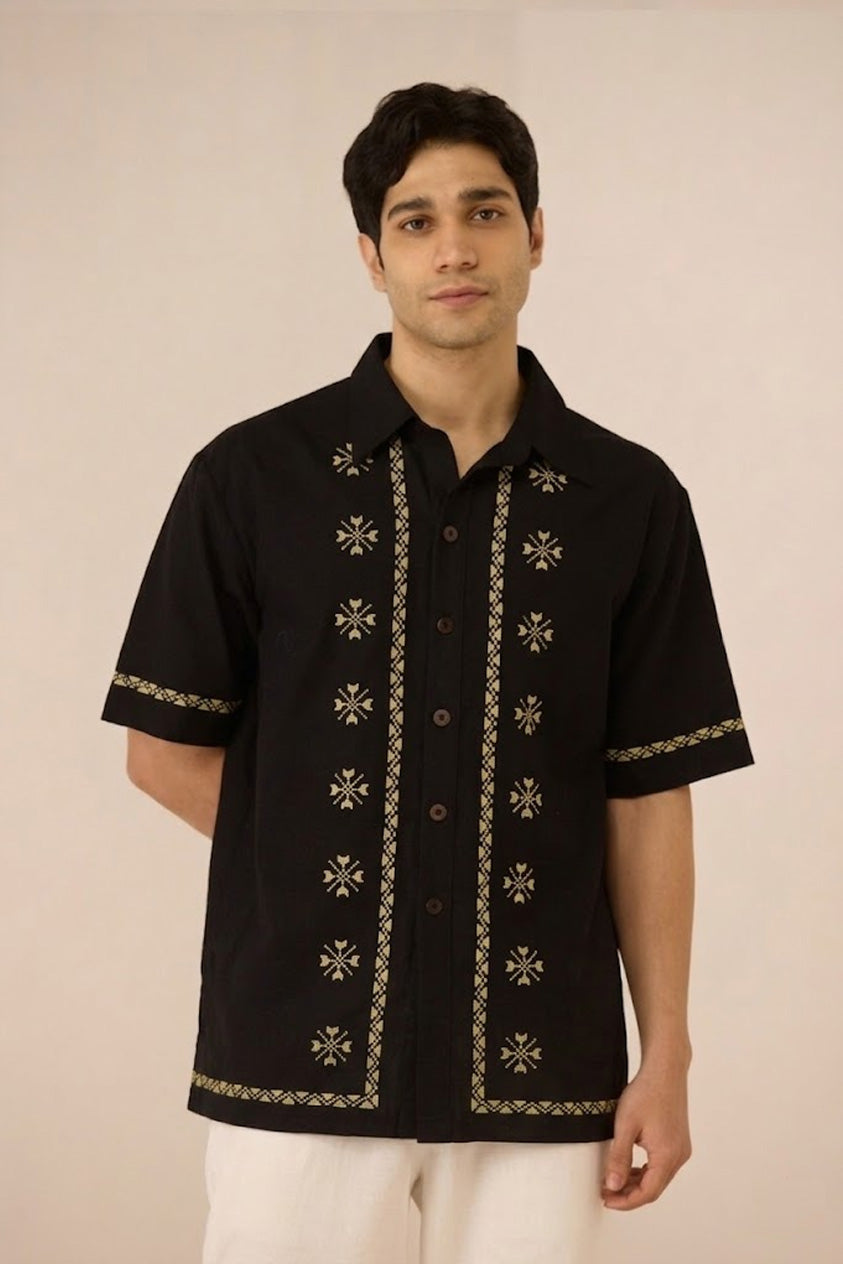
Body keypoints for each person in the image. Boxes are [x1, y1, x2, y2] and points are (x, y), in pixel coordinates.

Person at [100, 82, 755, 1264]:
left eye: (485, 211)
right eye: (416, 220)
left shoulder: (629, 498)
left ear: (536, 234)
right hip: (300, 1045)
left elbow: (650, 791)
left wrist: (667, 1052)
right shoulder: (252, 479)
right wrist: (344, 862)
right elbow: (164, 750)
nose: (455, 248)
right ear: (372, 254)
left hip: (541, 1057)